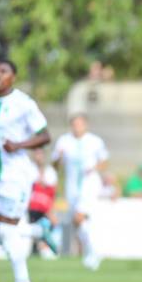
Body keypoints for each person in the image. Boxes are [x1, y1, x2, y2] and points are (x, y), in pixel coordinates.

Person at [0, 58, 56, 282]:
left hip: (16, 176)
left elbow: (45, 136)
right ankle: (37, 230)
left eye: (3, 71)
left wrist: (19, 145)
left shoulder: (23, 103)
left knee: (7, 231)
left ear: (13, 76)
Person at [52, 114, 109, 271]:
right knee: (78, 222)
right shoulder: (64, 141)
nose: (77, 127)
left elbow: (104, 162)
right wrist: (59, 158)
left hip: (89, 183)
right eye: (74, 124)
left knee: (79, 216)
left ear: (86, 125)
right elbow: (56, 165)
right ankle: (92, 252)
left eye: (80, 124)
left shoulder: (95, 141)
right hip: (72, 185)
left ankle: (93, 252)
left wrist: (94, 168)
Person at [28, 148, 59, 259]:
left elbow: (52, 194)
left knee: (50, 222)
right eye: (36, 154)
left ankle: (43, 245)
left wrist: (52, 211)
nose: (38, 157)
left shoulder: (50, 172)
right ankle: (40, 238)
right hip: (29, 208)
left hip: (44, 209)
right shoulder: (28, 169)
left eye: (40, 154)